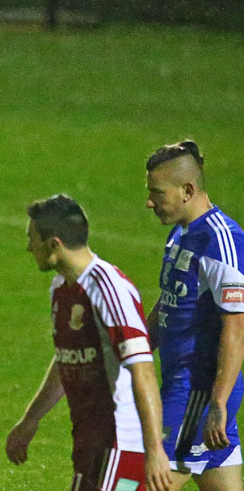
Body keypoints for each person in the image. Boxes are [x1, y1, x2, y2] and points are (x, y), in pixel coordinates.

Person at [6, 194, 171, 491]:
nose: (29, 247)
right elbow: (68, 359)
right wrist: (31, 420)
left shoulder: (109, 289)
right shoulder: (62, 289)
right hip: (91, 442)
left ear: (54, 245)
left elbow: (143, 370)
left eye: (32, 239)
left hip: (120, 445)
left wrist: (154, 450)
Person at [144, 140, 244, 490]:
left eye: (157, 193)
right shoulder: (180, 234)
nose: (150, 202)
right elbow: (170, 301)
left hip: (197, 394)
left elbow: (237, 326)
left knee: (141, 481)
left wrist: (218, 402)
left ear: (187, 190)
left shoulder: (221, 240)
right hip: (184, 386)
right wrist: (136, 352)